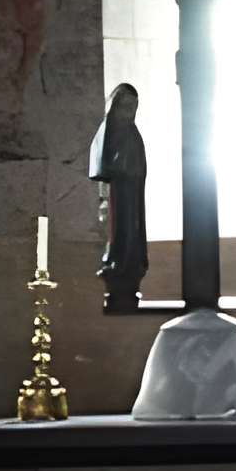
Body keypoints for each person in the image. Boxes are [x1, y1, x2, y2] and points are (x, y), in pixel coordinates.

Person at [90, 82, 149, 310]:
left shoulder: (133, 136)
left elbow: (137, 169)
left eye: (132, 107)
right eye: (124, 107)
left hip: (131, 197)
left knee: (131, 232)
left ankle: (127, 265)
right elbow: (104, 169)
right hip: (116, 195)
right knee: (116, 231)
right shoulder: (108, 134)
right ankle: (115, 264)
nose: (129, 113)